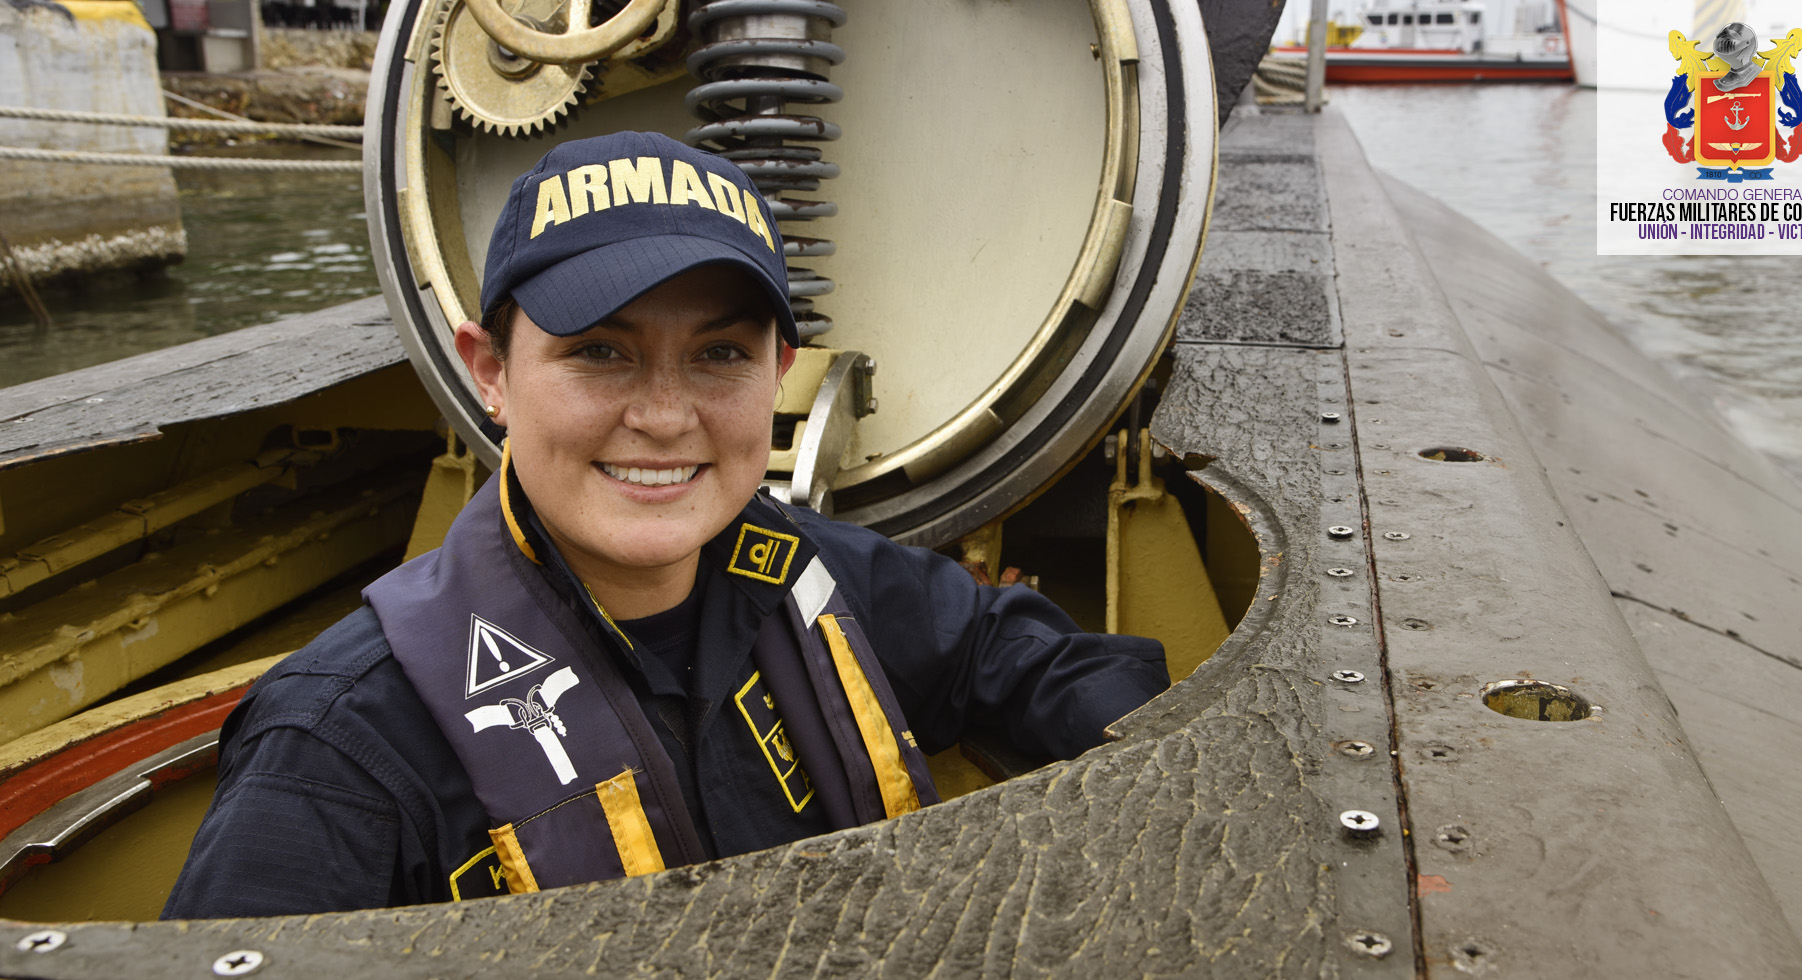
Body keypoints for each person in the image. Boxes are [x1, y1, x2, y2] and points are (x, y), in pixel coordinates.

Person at [163, 131, 1168, 917]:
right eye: (601, 351)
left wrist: (1167, 785)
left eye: (720, 354)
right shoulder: (339, 744)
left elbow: (1015, 652)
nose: (663, 413)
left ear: (780, 371)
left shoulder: (812, 576)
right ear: (489, 372)